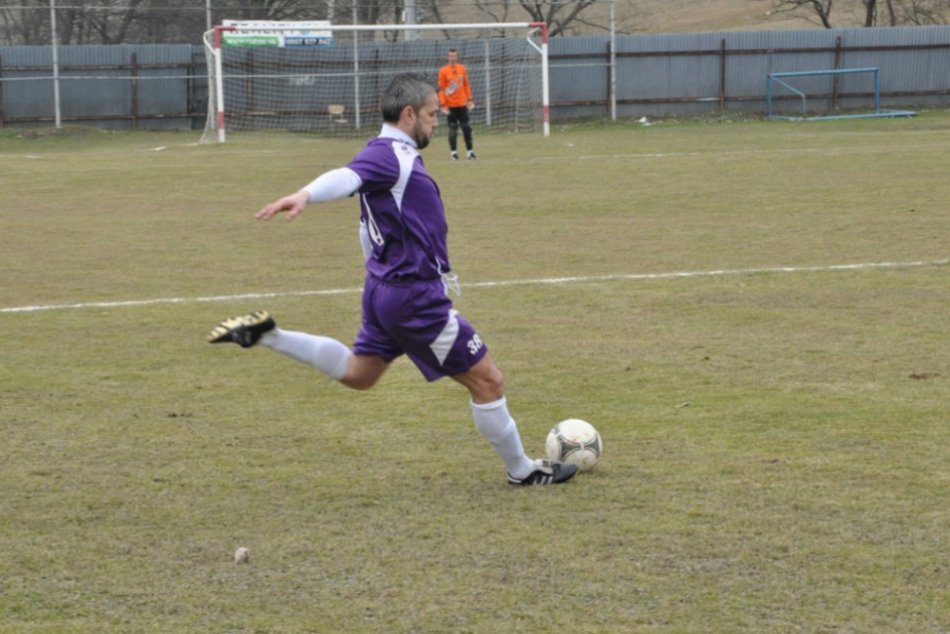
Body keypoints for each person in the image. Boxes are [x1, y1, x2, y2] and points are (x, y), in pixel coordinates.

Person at [207, 73, 576, 487]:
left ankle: (269, 335)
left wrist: (381, 277)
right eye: (432, 114)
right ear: (408, 114)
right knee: (487, 379)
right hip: (413, 297)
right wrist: (306, 195)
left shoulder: (387, 155)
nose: (437, 121)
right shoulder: (389, 156)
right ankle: (522, 471)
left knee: (359, 374)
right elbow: (345, 178)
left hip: (385, 289)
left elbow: (366, 227)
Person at [437, 49, 476, 160]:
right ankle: (454, 153)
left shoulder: (462, 68)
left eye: (454, 56)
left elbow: (466, 85)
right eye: (451, 56)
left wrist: (470, 99)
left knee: (466, 127)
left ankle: (470, 152)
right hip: (450, 106)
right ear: (447, 57)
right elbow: (442, 89)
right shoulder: (443, 71)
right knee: (453, 128)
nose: (453, 58)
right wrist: (443, 104)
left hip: (462, 103)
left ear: (457, 57)